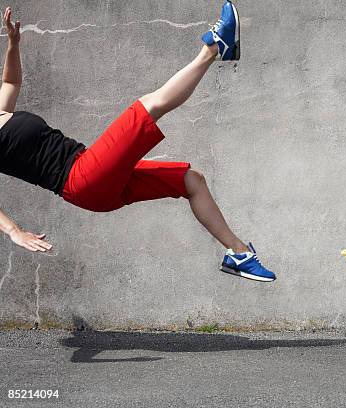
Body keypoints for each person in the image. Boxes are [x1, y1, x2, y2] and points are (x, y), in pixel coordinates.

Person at [0, 2, 276, 282]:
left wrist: (13, 43)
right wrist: (14, 231)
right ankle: (214, 47)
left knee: (192, 180)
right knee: (148, 106)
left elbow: (10, 83)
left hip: (91, 175)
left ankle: (239, 255)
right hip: (81, 178)